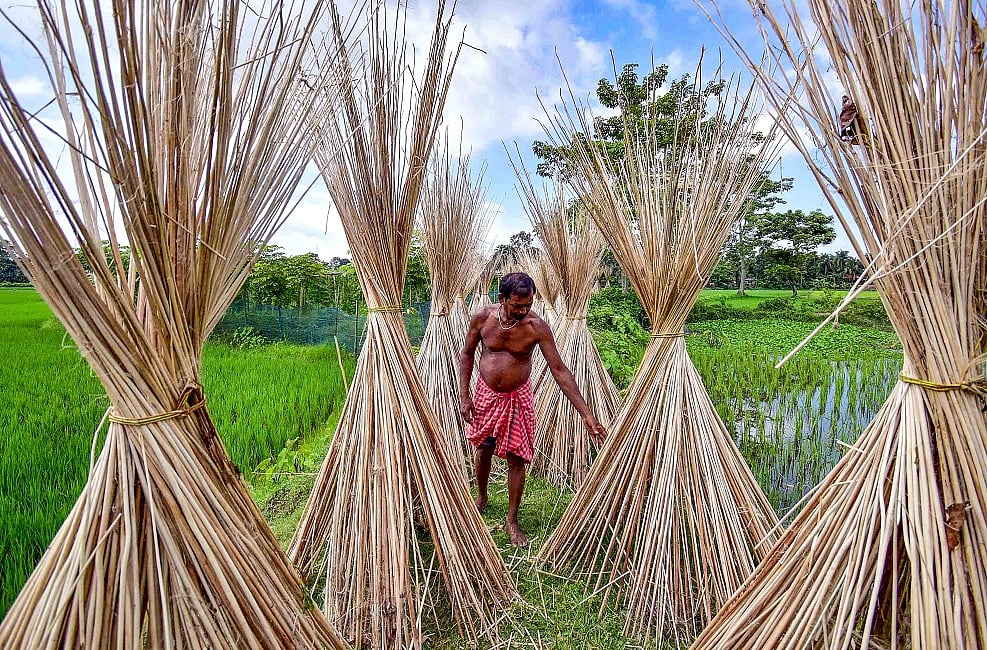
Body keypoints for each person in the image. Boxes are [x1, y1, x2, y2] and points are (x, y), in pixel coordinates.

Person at [459, 271, 606, 546]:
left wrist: (586, 413)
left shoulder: (536, 327)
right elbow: (467, 354)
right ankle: (481, 496)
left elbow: (559, 370)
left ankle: (511, 520)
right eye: (516, 306)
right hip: (485, 395)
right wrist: (464, 396)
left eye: (528, 305)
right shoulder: (482, 318)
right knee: (484, 447)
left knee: (517, 457)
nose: (523, 311)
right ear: (501, 299)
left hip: (517, 399)